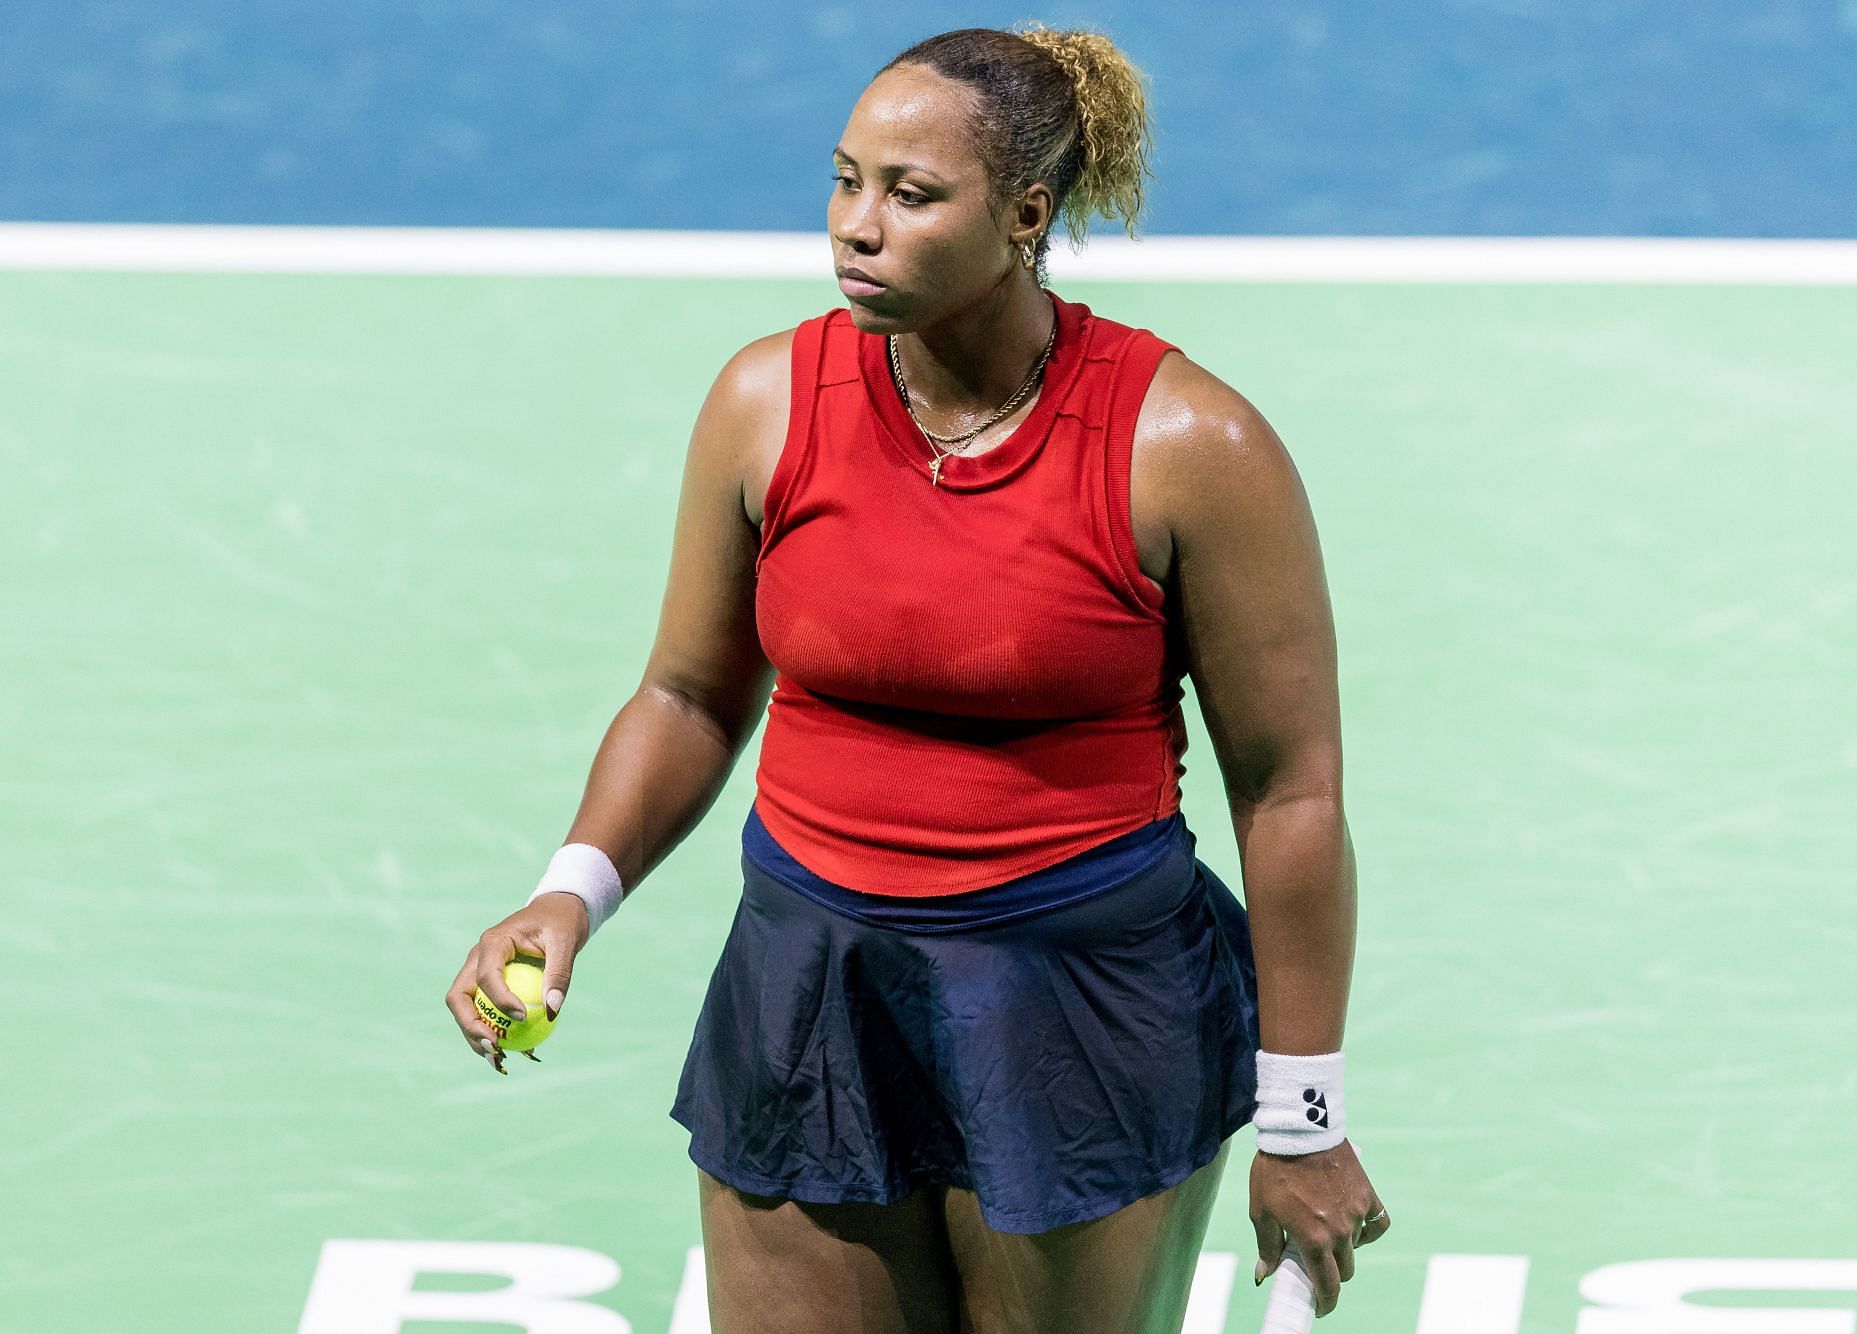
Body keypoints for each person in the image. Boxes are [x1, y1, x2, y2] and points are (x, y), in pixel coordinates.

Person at [447, 23, 1388, 1334]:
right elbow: (687, 694)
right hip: (809, 984)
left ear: (1025, 215)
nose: (856, 227)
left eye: (910, 193)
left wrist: (1305, 1113)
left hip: (1082, 1000)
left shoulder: (1187, 445)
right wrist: (570, 891)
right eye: (844, 180)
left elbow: (1291, 789)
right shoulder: (766, 401)